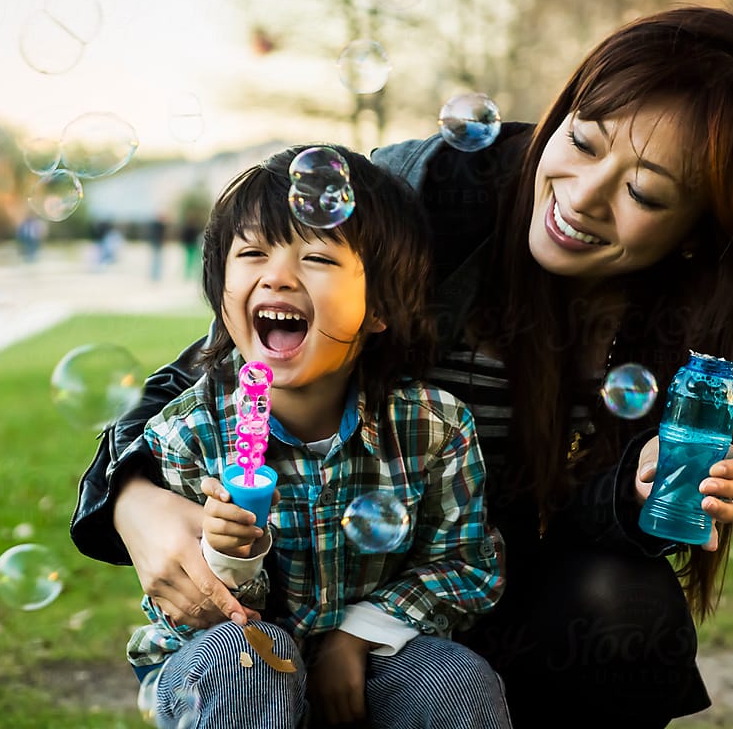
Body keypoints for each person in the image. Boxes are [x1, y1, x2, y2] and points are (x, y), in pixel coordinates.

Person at [71, 6, 733, 726]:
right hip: (284, 599)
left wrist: (632, 496)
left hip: (455, 596)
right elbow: (218, 372)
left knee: (626, 611)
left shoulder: (692, 338)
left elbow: (569, 530)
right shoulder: (432, 194)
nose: (584, 197)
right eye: (585, 141)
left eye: (643, 193)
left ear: (699, 232)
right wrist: (134, 502)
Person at [123, 145, 509, 728]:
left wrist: (359, 634)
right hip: (228, 655)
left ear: (378, 306)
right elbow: (184, 610)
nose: (277, 275)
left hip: (379, 652)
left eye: (318, 259)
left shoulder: (433, 426)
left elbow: (467, 565)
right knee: (238, 668)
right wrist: (227, 557)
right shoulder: (189, 432)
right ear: (222, 296)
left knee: (457, 686)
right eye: (252, 252)